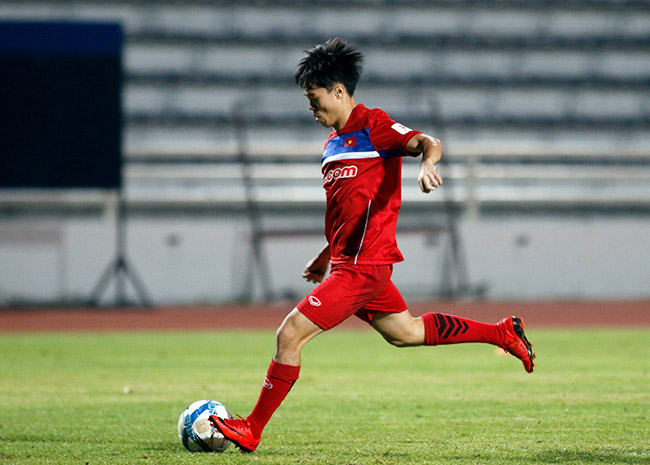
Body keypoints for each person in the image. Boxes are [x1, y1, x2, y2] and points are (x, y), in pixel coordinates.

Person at [210, 37, 535, 453]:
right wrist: (326, 255)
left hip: (364, 266)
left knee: (289, 334)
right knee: (406, 332)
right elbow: (347, 209)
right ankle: (502, 333)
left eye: (314, 98)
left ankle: (252, 428)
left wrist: (428, 165)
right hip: (350, 262)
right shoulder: (331, 145)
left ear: (338, 91)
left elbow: (428, 142)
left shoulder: (373, 125)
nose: (311, 107)